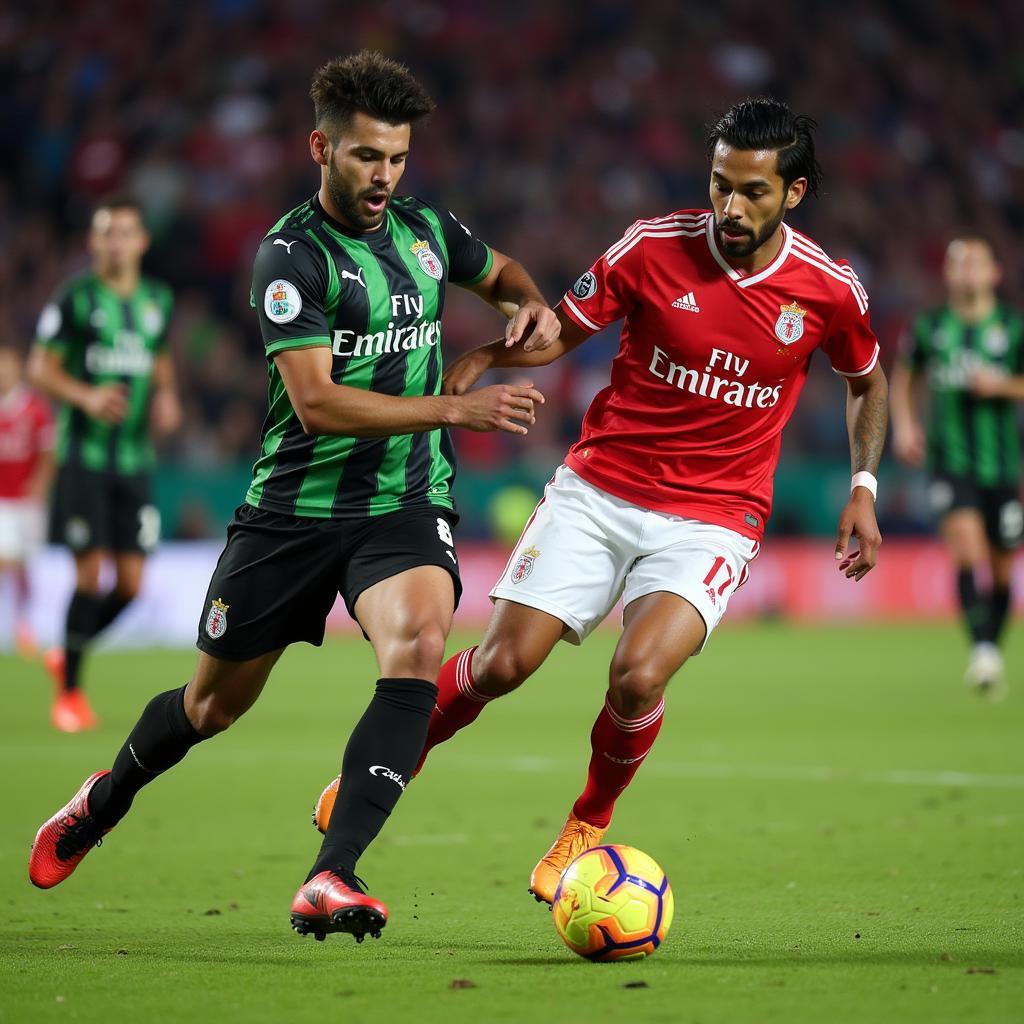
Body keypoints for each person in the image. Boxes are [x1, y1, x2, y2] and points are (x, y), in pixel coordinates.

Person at [29, 50, 556, 944]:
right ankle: (104, 796)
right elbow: (315, 402)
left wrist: (529, 307)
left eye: (396, 157)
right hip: (292, 514)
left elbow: (502, 273)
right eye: (364, 157)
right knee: (212, 708)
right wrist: (453, 404)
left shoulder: (426, 231)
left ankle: (332, 874)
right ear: (321, 147)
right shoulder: (291, 255)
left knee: (421, 643)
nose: (384, 175)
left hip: (403, 501)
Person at [310, 96, 889, 904]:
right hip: (600, 489)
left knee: (638, 675)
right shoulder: (652, 248)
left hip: (714, 516)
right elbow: (564, 331)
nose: (729, 205)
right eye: (720, 183)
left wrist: (863, 487)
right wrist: (488, 353)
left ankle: (588, 819)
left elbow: (867, 383)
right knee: (504, 664)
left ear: (791, 194)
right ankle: (385, 770)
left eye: (752, 191)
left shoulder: (827, 289)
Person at [28, 196, 181, 732]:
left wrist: (166, 395)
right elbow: (39, 368)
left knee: (132, 585)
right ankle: (70, 691)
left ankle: (68, 651)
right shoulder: (75, 299)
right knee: (90, 577)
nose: (115, 242)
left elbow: (159, 356)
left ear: (142, 241)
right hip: (83, 459)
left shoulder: (157, 299)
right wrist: (86, 397)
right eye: (106, 233)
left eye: (125, 232)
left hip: (135, 460)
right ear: (93, 242)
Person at [891, 237, 1023, 697]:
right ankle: (982, 654)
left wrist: (1000, 385)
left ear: (994, 273)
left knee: (1004, 568)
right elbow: (903, 377)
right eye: (957, 263)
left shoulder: (1012, 327)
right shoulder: (930, 328)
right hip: (950, 462)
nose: (966, 271)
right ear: (947, 274)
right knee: (967, 548)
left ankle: (989, 647)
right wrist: (905, 426)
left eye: (975, 263)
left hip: (1003, 465)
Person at [0, 344, 54, 655]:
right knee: (6, 559)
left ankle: (23, 623)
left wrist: (39, 485)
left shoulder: (34, 408)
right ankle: (16, 623)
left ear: (17, 367)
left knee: (22, 565)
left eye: (8, 365)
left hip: (25, 501)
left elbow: (47, 453)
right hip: (2, 500)